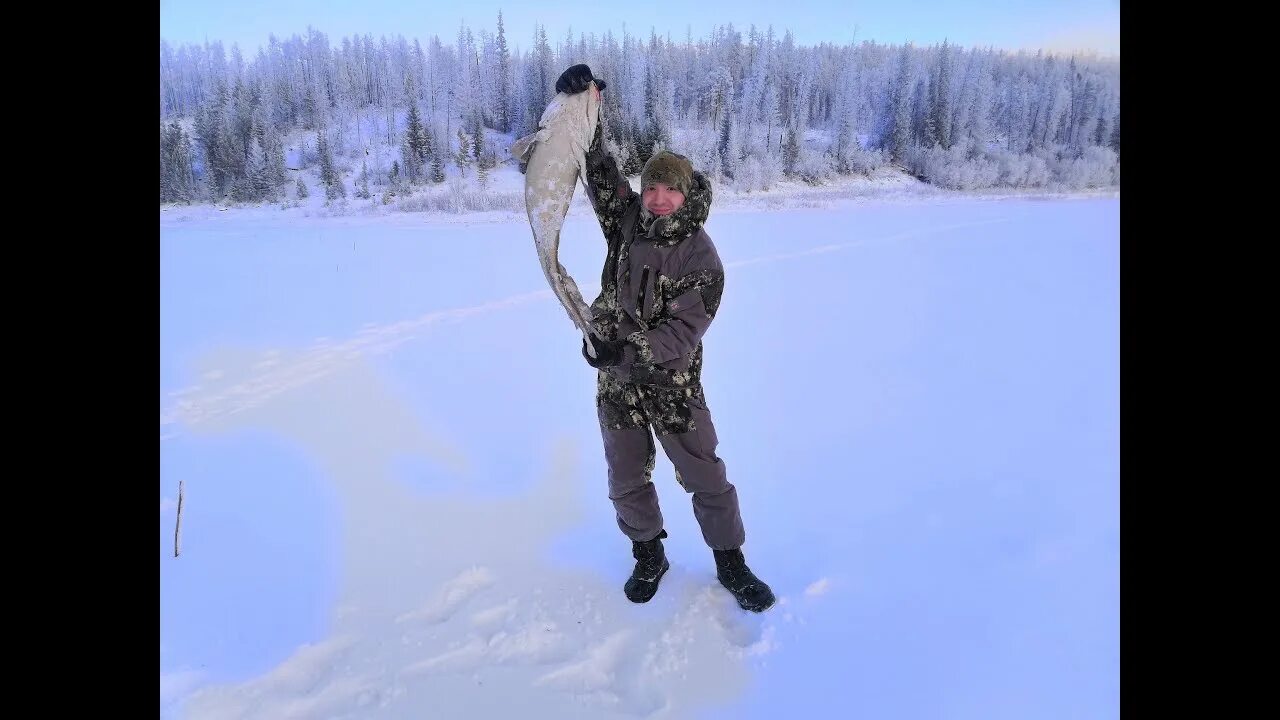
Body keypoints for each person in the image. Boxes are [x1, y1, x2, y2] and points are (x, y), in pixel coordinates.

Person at [557, 64, 775, 612]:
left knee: (704, 474)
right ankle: (648, 555)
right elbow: (597, 167)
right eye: (650, 187)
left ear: (685, 194)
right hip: (616, 382)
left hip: (671, 382)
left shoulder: (703, 258)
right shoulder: (626, 221)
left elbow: (682, 331)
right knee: (626, 475)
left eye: (667, 190)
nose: (655, 198)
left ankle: (731, 562)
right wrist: (586, 105)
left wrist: (625, 349)